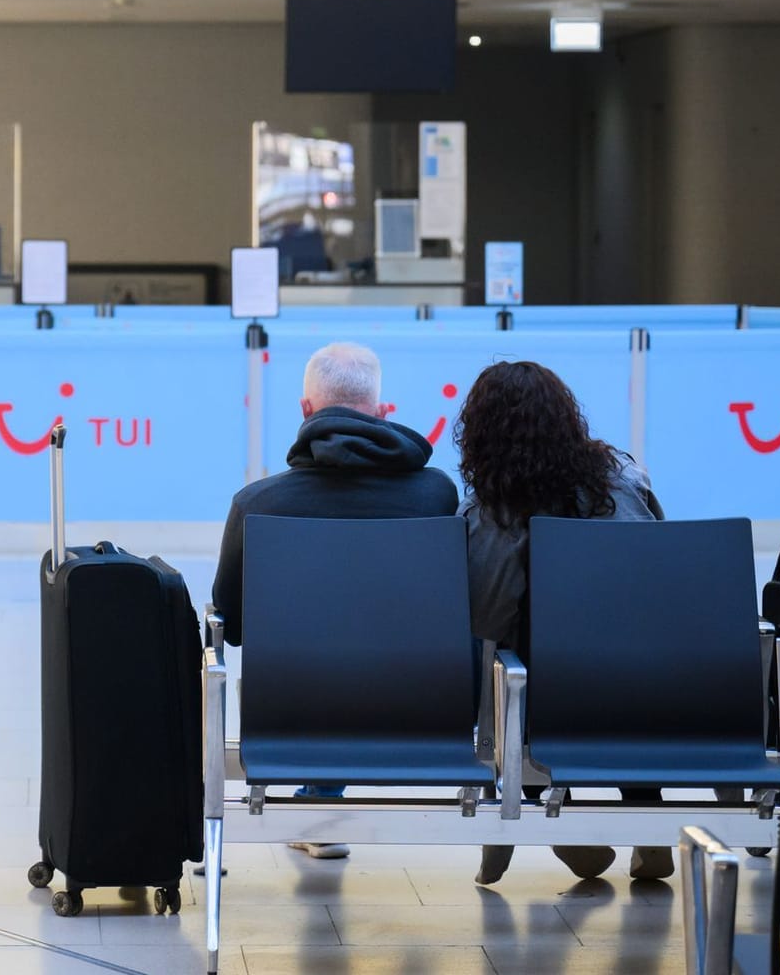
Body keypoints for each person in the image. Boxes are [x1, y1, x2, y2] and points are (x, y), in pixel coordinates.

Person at [211, 342, 460, 860]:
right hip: (422, 708)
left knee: (326, 660)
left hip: (291, 710)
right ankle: (321, 804)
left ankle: (319, 803)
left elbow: (230, 624)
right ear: (383, 412)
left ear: (306, 410)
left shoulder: (258, 505)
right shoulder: (436, 496)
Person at [451, 360, 673, 885]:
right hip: (638, 681)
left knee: (506, 681)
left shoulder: (489, 512)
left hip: (542, 696)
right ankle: (650, 826)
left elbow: (485, 615)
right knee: (622, 698)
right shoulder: (624, 482)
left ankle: (567, 830)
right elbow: (661, 568)